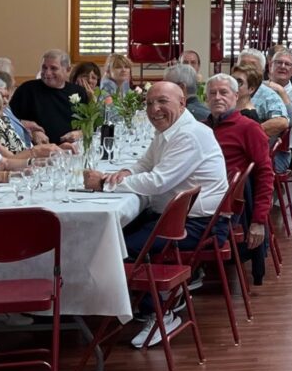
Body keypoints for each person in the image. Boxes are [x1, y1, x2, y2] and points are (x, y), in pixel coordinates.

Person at [86, 80, 228, 266]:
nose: (154, 110)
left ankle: (147, 295)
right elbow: (146, 163)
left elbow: (157, 182)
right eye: (149, 103)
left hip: (199, 225)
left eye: (162, 101)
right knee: (107, 237)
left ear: (182, 102)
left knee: (113, 249)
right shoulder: (171, 128)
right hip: (177, 217)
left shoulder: (189, 135)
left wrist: (105, 183)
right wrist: (125, 172)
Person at [204, 73, 275, 286]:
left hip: (228, 206)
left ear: (236, 97)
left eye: (224, 93)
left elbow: (265, 173)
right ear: (206, 98)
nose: (218, 97)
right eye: (212, 93)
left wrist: (258, 221)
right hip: (202, 195)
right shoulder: (202, 128)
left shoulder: (248, 128)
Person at [11, 50, 89, 144]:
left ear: (68, 70)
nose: (47, 73)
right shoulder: (27, 90)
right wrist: (31, 131)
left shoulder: (78, 91)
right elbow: (10, 120)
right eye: (44, 68)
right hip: (38, 151)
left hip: (72, 149)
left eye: (53, 68)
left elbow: (89, 124)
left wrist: (80, 133)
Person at [262, 47, 292, 173]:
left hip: (278, 152)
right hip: (253, 143)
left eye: (287, 64)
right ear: (270, 66)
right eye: (279, 62)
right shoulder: (257, 88)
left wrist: (281, 92)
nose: (283, 66)